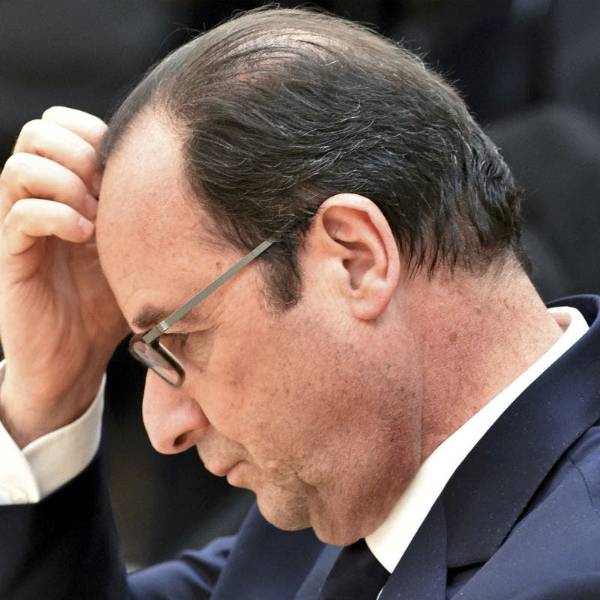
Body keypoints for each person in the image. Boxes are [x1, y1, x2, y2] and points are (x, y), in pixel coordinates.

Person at [1, 7, 599, 600]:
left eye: (178, 339)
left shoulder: (566, 574)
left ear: (356, 260)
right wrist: (49, 391)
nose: (165, 427)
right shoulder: (338, 498)